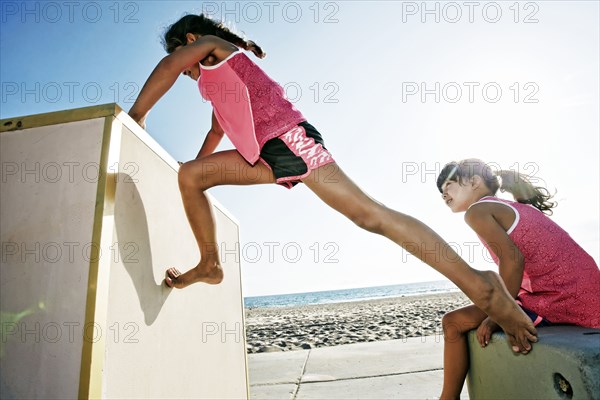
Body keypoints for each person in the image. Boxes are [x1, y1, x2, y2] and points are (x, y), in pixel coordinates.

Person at [128, 13, 538, 352]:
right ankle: (210, 263)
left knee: (370, 217)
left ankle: (479, 283)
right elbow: (217, 132)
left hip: (289, 139)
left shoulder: (215, 48)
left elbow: (168, 66)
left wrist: (138, 115)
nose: (184, 70)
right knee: (191, 175)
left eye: (183, 55)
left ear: (192, 39)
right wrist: (191, 177)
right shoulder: (214, 87)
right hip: (263, 157)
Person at [436, 158, 600, 400]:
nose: (443, 194)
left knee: (453, 323)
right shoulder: (514, 207)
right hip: (585, 295)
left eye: (448, 184)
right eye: (441, 192)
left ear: (474, 181)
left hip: (561, 299)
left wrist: (498, 314)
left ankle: (447, 398)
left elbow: (513, 262)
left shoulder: (477, 212)